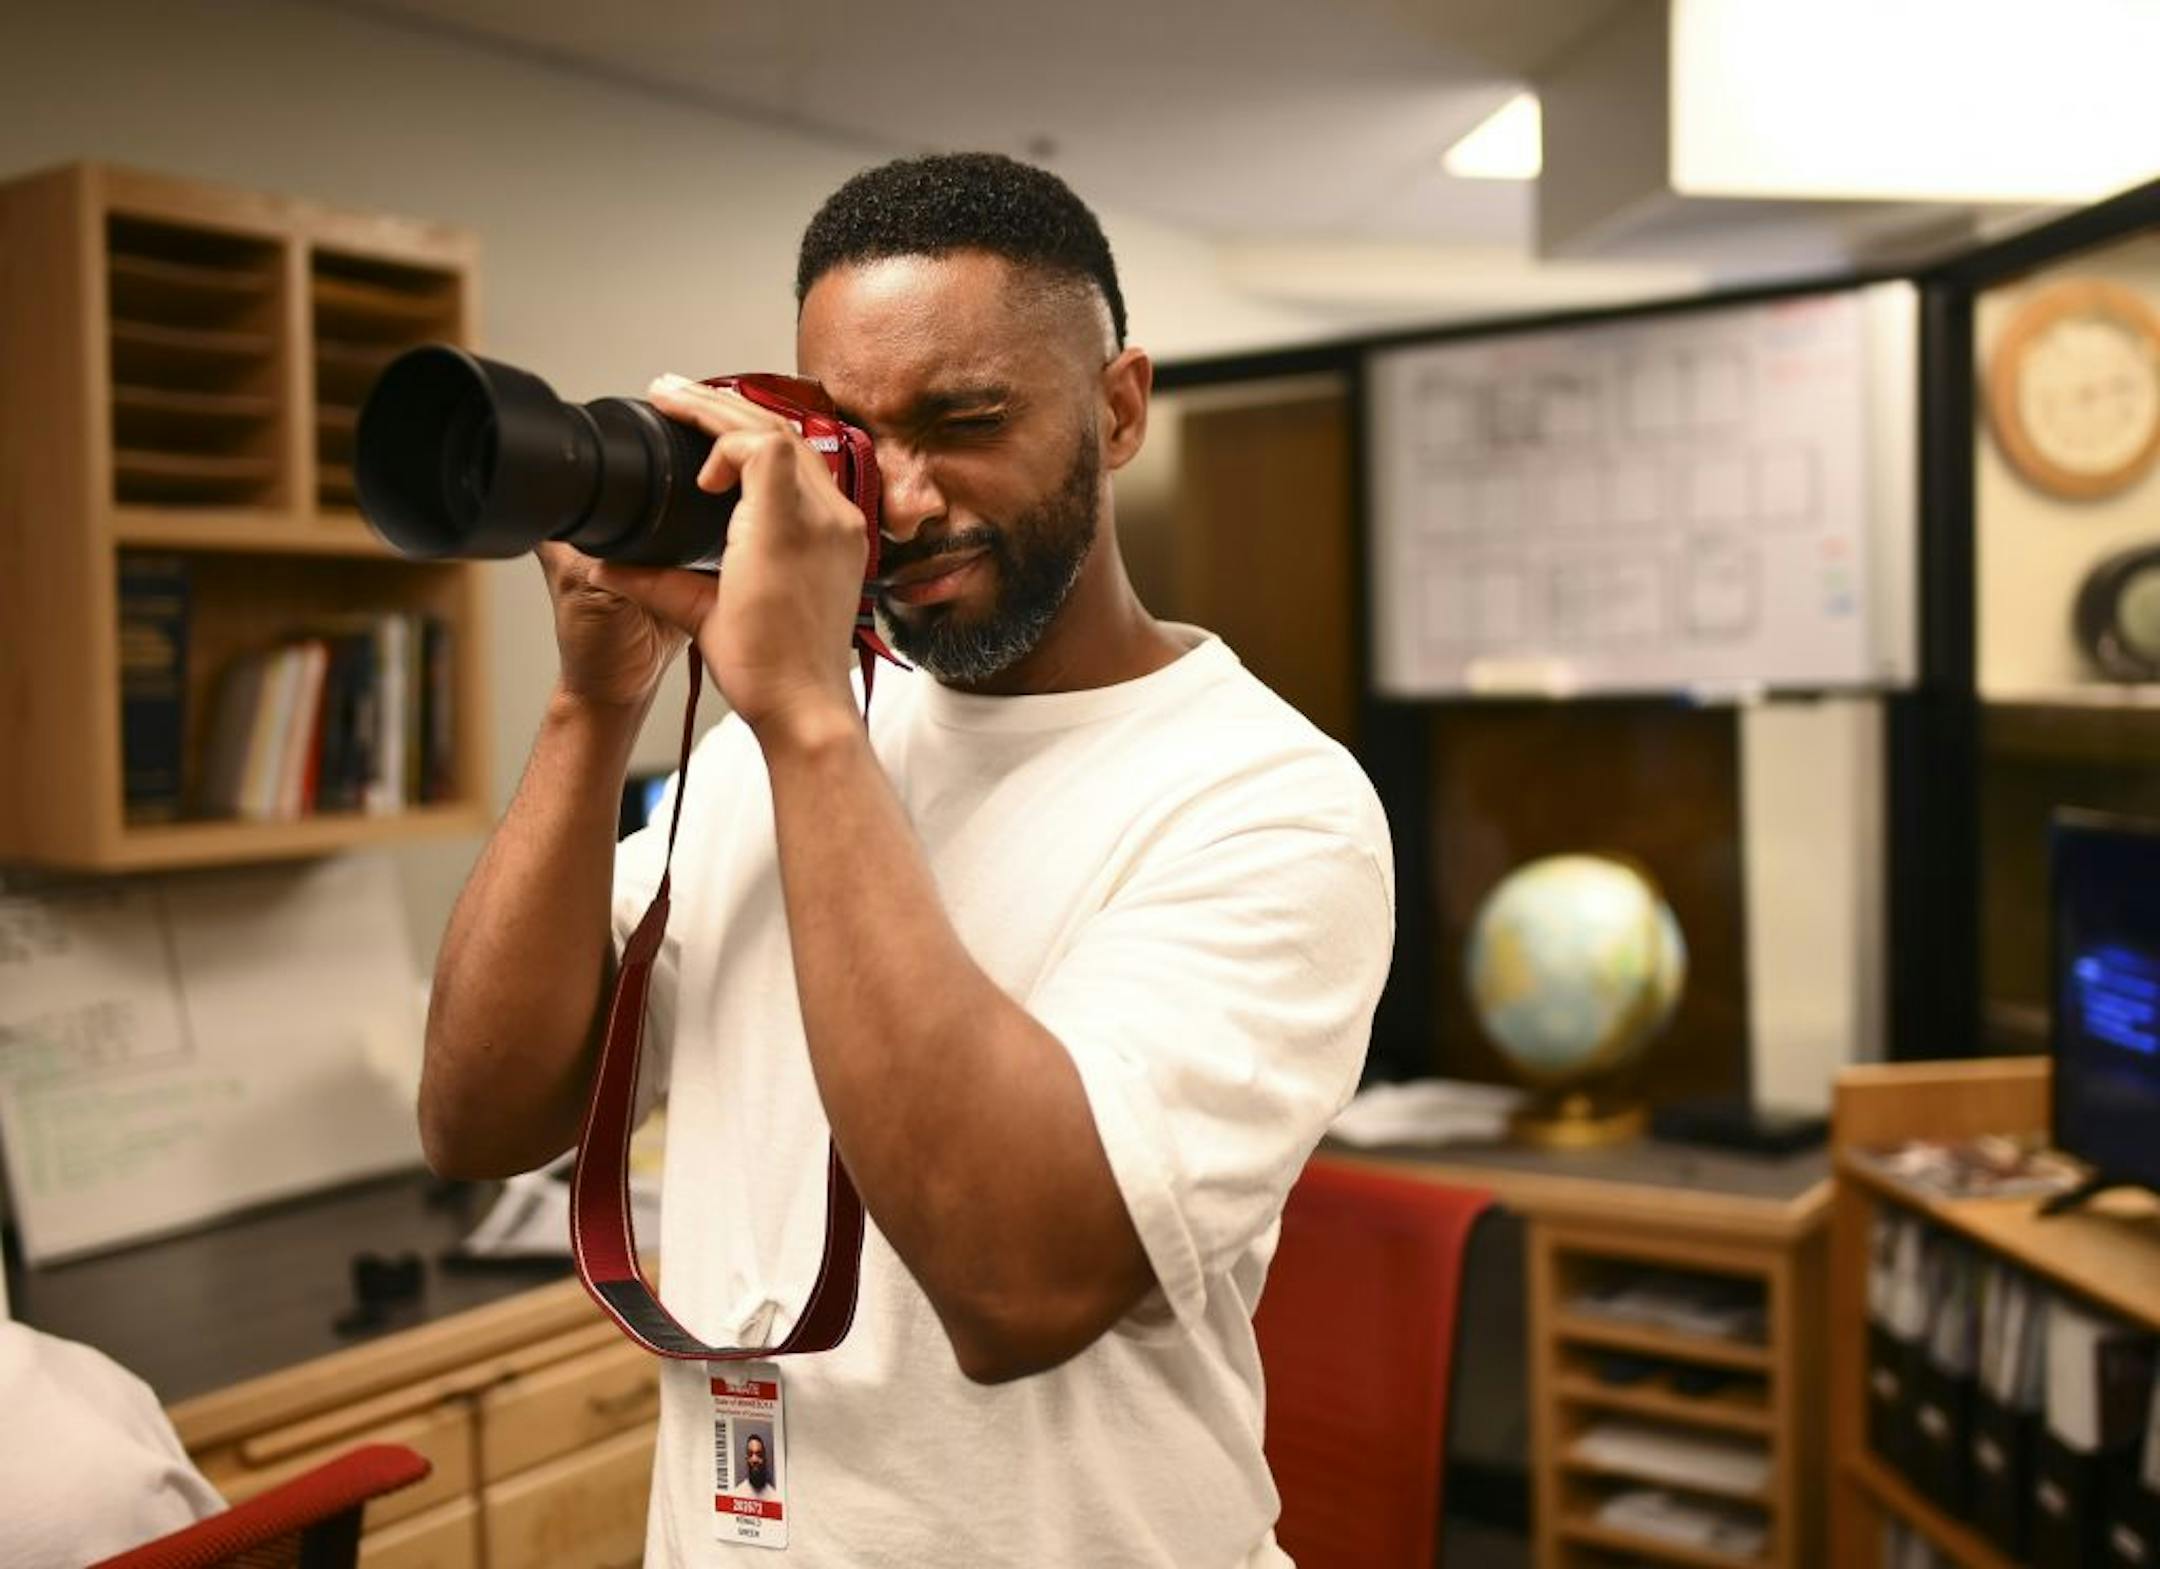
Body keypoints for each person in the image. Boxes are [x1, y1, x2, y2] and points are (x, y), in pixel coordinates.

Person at [418, 152, 1394, 1567]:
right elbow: (480, 1121)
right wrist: (593, 702)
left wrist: (812, 714)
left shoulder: (1262, 799)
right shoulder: (761, 748)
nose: (905, 500)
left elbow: (1019, 1281)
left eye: (967, 420)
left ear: (1118, 411)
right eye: (856, 441)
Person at [730, 1433, 777, 1500]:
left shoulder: (774, 1497)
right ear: (747, 1459)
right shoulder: (737, 1495)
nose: (754, 1459)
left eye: (759, 1454)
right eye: (750, 1454)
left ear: (764, 1459)